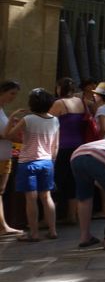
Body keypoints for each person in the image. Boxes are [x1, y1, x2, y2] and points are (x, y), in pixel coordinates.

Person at [3, 88, 60, 242]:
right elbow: (55, 146)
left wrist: (12, 118)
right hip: (47, 162)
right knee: (46, 197)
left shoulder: (28, 119)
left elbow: (8, 135)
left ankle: (34, 233)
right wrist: (51, 162)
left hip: (27, 163)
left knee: (31, 199)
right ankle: (53, 230)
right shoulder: (55, 120)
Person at [70, 137, 105, 249]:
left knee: (84, 198)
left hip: (77, 155)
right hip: (101, 156)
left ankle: (85, 237)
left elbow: (100, 182)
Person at [49, 77, 88, 223]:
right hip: (78, 146)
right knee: (73, 180)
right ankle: (72, 215)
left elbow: (48, 121)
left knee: (56, 180)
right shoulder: (80, 102)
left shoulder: (59, 103)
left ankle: (50, 219)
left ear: (60, 88)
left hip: (62, 147)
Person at [0, 80, 23, 237]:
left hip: (5, 154)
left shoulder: (2, 110)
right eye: (12, 93)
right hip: (2, 153)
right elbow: (3, 134)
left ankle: (3, 226)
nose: (13, 97)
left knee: (0, 191)